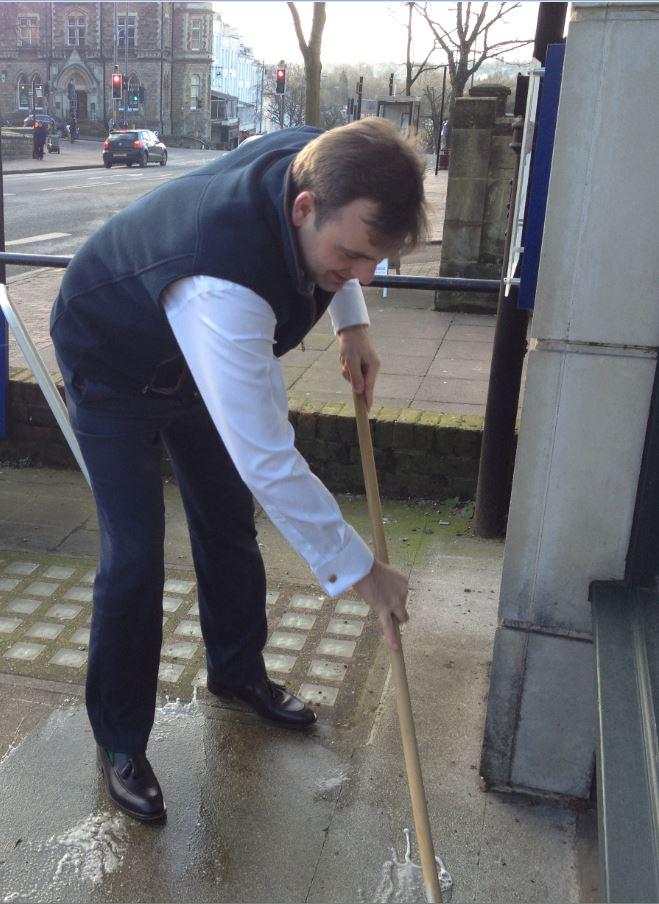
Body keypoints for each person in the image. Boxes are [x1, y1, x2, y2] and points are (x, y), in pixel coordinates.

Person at [50, 119, 427, 822]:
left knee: (227, 520)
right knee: (134, 557)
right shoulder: (223, 282)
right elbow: (268, 459)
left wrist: (352, 323)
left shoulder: (327, 157)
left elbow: (344, 239)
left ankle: (236, 671)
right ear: (303, 208)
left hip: (194, 361)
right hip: (111, 358)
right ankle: (121, 739)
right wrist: (362, 572)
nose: (364, 275)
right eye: (352, 257)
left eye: (376, 261)